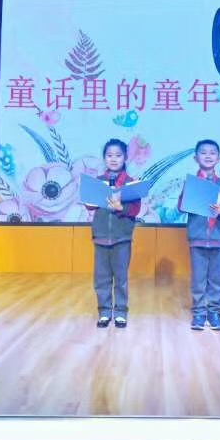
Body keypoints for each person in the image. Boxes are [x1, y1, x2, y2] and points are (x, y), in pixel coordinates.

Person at [85, 139, 142, 330]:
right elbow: (89, 206)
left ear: (125, 158)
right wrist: (92, 198)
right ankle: (104, 312)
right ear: (104, 158)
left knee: (121, 277)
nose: (114, 159)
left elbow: (135, 209)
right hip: (101, 235)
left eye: (118, 155)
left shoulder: (131, 183)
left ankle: (120, 313)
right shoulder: (97, 181)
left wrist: (120, 207)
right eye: (109, 155)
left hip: (122, 237)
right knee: (101, 278)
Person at [186, 138, 220, 332]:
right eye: (203, 152)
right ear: (195, 158)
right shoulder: (191, 182)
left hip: (218, 238)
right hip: (197, 238)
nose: (208, 156)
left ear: (219, 158)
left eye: (212, 153)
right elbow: (181, 206)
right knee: (198, 279)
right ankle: (199, 313)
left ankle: (214, 313)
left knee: (217, 279)